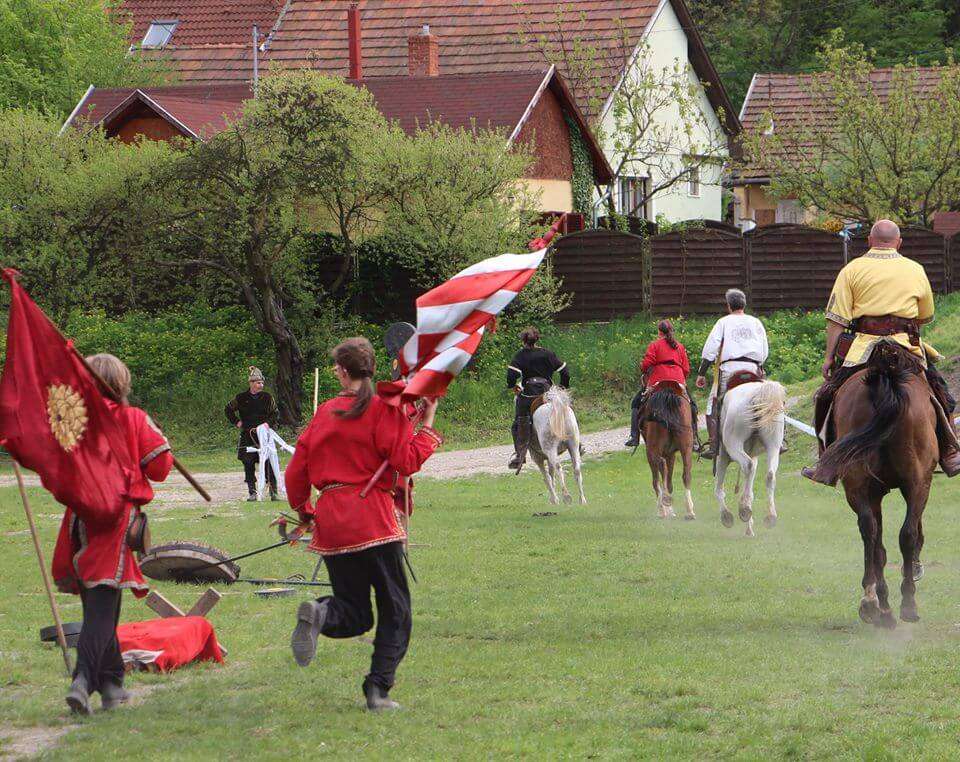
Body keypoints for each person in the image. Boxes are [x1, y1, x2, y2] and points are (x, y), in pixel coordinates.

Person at [284, 337, 443, 711]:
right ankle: (377, 691)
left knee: (354, 613)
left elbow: (296, 472)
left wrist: (306, 511)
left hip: (333, 522)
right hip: (372, 518)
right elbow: (405, 460)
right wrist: (430, 426)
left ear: (341, 372)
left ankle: (322, 614)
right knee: (396, 610)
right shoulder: (381, 409)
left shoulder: (324, 413)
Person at [51, 354, 173, 715]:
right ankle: (83, 680)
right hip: (114, 519)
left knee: (101, 600)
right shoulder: (132, 418)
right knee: (102, 608)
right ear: (121, 383)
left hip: (80, 520)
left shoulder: (74, 422)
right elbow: (160, 467)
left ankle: (111, 682)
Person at [803, 219, 960, 481]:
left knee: (825, 397)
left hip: (862, 348)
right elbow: (925, 315)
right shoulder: (915, 269)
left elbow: (836, 320)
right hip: (906, 346)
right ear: (899, 243)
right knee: (942, 393)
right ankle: (950, 451)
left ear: (869, 241)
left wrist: (829, 357)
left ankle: (825, 462)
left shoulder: (852, 269)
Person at [695, 289, 769, 459]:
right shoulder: (756, 322)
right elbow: (764, 350)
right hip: (753, 369)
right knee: (767, 401)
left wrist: (701, 373)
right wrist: (759, 365)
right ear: (744, 304)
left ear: (728, 306)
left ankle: (714, 445)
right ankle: (777, 439)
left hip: (729, 370)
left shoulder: (723, 322)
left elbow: (711, 348)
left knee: (713, 404)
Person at [625, 319, 699, 449]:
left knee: (636, 402)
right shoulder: (680, 347)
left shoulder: (654, 345)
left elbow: (646, 364)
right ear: (671, 331)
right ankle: (694, 439)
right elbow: (686, 369)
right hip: (678, 379)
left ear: (659, 332)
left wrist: (643, 368)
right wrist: (680, 378)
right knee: (692, 405)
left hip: (658, 380)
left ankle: (634, 436)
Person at [506, 326, 570, 470]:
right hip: (548, 392)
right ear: (537, 339)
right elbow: (565, 372)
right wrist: (562, 388)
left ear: (523, 341)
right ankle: (576, 444)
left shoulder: (520, 355)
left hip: (529, 393)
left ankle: (519, 456)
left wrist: (512, 386)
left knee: (517, 423)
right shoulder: (547, 354)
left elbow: (511, 376)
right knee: (566, 410)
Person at [225, 367, 279, 501]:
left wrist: (267, 424)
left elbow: (275, 413)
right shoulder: (241, 398)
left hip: (263, 435)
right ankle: (252, 492)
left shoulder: (267, 398)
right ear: (251, 383)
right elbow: (228, 409)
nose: (261, 385)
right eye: (258, 383)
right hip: (247, 435)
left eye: (262, 382)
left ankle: (273, 491)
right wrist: (237, 422)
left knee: (268, 463)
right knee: (248, 463)